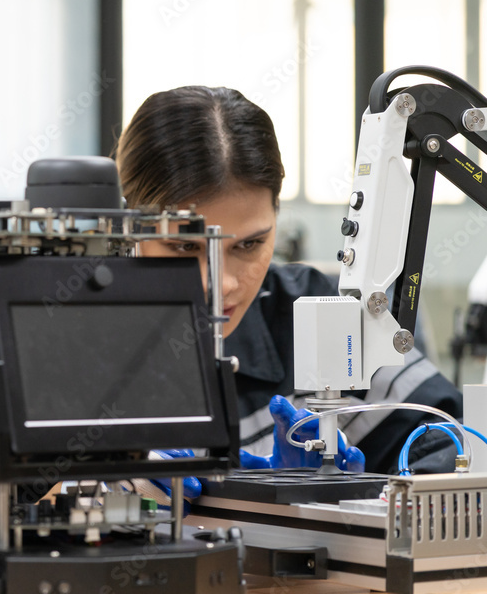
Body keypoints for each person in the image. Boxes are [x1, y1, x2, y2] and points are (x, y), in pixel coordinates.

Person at [114, 85, 462, 474]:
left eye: (249, 245)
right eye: (183, 248)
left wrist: (366, 500)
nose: (223, 283)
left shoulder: (318, 314)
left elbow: (454, 442)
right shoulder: (67, 337)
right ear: (126, 229)